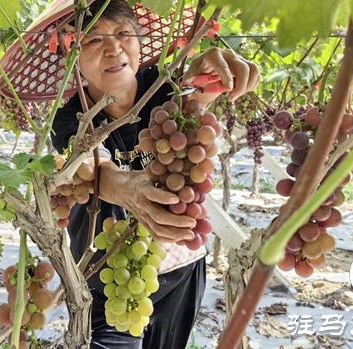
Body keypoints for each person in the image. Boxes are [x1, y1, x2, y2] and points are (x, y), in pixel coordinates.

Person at [50, 1, 260, 348]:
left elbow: (199, 88)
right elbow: (89, 166)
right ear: (71, 52)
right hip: (108, 276)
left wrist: (218, 70)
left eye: (122, 34)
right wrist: (124, 187)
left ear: (139, 39)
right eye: (93, 40)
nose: (114, 48)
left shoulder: (169, 89)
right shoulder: (71, 119)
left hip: (182, 268)